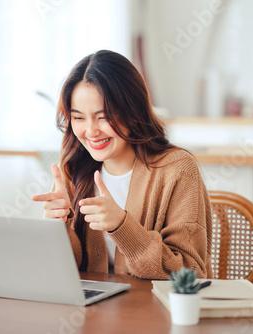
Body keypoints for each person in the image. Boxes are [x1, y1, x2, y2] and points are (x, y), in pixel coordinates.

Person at [32, 50, 212, 280]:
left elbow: (189, 272)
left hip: (152, 314)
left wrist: (122, 226)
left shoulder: (178, 170)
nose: (91, 131)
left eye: (103, 116)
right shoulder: (74, 169)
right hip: (89, 313)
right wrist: (58, 228)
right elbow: (66, 272)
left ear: (132, 109)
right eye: (78, 118)